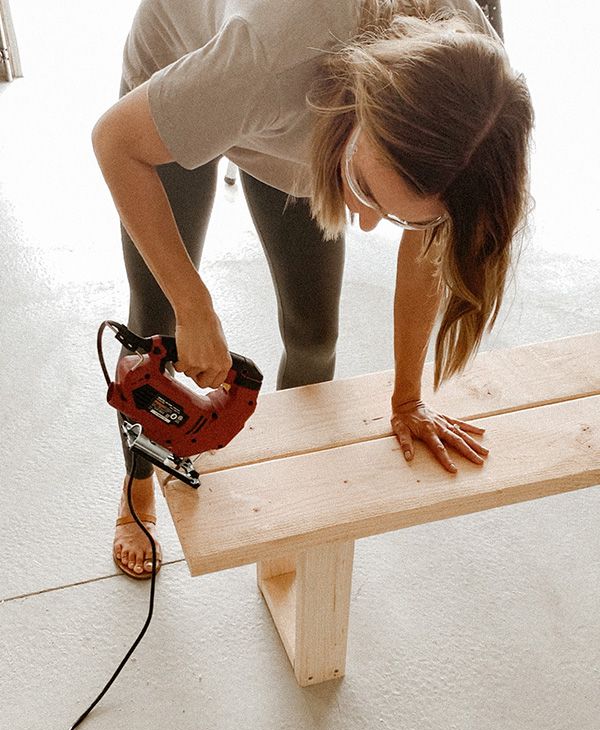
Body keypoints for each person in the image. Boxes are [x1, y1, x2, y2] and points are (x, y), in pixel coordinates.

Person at [92, 0, 533, 580]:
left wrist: (407, 396)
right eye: (367, 193)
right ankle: (137, 485)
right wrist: (194, 302)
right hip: (189, 70)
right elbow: (113, 142)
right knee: (157, 320)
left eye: (400, 214)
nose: (367, 224)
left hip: (310, 120)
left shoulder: (475, 79)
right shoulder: (269, 55)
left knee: (314, 333)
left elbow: (434, 232)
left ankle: (286, 496)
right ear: (360, 100)